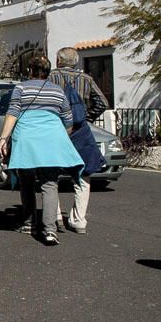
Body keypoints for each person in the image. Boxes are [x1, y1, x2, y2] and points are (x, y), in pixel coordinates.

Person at [0, 55, 84, 245]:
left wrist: (3, 138)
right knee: (50, 183)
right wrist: (60, 137)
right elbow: (68, 120)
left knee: (27, 181)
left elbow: (12, 113)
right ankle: (50, 230)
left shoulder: (21, 88)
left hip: (26, 138)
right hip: (52, 138)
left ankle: (29, 223)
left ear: (30, 70)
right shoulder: (58, 91)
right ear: (47, 72)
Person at [48, 47, 109, 234]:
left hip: (57, 129)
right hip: (80, 129)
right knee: (83, 174)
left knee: (51, 174)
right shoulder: (86, 79)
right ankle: (78, 220)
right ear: (76, 61)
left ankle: (55, 216)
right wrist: (87, 117)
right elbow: (102, 103)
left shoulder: (51, 78)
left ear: (58, 60)